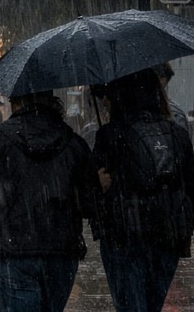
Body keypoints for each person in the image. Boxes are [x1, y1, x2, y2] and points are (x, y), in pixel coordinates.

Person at [0, 91, 100, 312]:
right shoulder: (73, 142)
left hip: (14, 250)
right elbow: (90, 205)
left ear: (16, 103)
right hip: (61, 251)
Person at [93, 67, 194, 312]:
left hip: (126, 236)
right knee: (153, 304)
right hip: (168, 237)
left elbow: (95, 192)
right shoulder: (177, 134)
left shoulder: (110, 135)